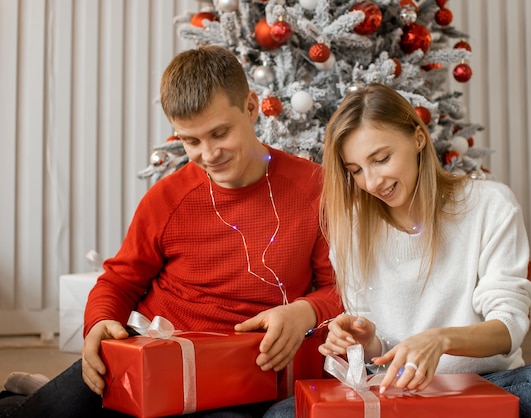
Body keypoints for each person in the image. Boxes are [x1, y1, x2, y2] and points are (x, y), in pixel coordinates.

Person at [0, 45, 342, 418]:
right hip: (152, 354)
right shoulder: (168, 198)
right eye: (191, 141)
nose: (209, 154)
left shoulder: (314, 189)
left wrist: (305, 311)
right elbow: (119, 281)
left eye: (219, 133)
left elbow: (340, 288)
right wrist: (99, 324)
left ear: (250, 107)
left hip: (241, 377)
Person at [266, 83, 531, 418]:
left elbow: (508, 328)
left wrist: (440, 341)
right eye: (355, 171)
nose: (371, 182)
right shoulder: (352, 225)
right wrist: (366, 341)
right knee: (281, 414)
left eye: (381, 159)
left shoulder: (490, 205)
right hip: (394, 390)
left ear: (418, 138)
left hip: (483, 383)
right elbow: (378, 350)